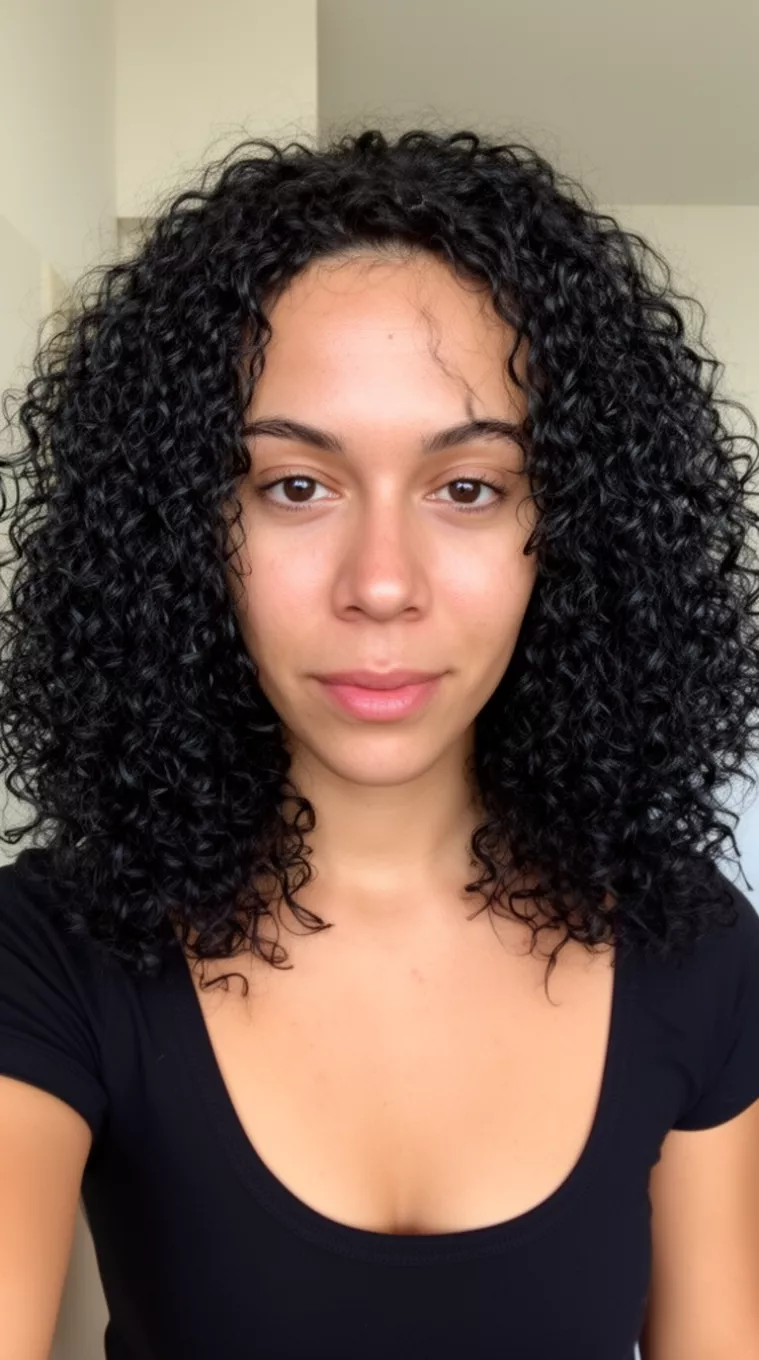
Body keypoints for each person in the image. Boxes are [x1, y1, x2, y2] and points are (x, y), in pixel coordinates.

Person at [0, 126, 758, 1360]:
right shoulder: (54, 945)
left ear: (568, 534)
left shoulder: (695, 948)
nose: (383, 585)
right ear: (190, 525)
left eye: (468, 488)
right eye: (296, 485)